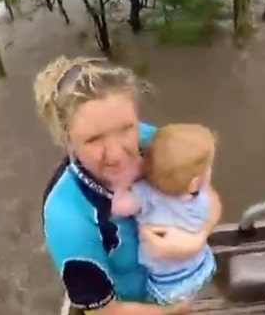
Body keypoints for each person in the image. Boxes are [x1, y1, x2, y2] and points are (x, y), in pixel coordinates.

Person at [33, 56, 223, 315]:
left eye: (125, 129)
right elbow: (104, 311)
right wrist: (171, 311)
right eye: (93, 139)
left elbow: (203, 192)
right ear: (67, 140)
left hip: (172, 288)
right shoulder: (67, 216)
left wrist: (195, 239)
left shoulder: (150, 142)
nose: (117, 155)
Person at [111, 123, 217, 305]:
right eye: (208, 169)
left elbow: (116, 207)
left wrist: (120, 183)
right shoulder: (198, 197)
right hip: (201, 267)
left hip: (168, 286)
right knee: (187, 301)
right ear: (193, 183)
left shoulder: (146, 194)